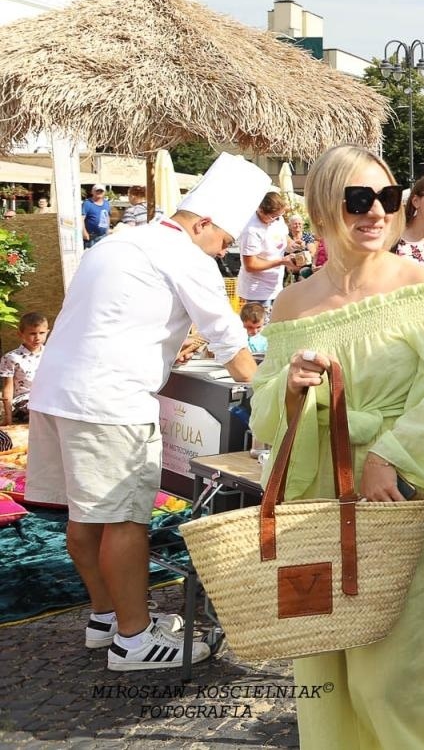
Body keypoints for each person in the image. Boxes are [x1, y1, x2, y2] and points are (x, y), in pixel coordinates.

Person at [252, 145, 424, 749]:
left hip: (401, 502)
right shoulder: (292, 303)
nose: (376, 214)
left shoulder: (422, 287)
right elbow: (263, 414)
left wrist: (391, 455)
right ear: (323, 208)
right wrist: (289, 388)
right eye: (358, 200)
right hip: (321, 509)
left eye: (387, 199)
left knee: (411, 678)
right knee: (329, 674)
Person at [29, 153, 267, 671]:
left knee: (86, 516)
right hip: (109, 400)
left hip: (56, 393)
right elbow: (232, 342)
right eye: (224, 241)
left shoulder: (119, 239)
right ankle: (133, 641)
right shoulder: (185, 255)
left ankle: (106, 617)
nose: (224, 253)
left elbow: (116, 317)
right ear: (202, 223)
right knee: (125, 521)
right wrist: (269, 388)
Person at [236, 191, 294, 317]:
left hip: (275, 285)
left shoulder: (277, 219)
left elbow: (284, 237)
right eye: (273, 216)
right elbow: (250, 265)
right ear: (261, 210)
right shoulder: (251, 230)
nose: (276, 219)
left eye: (280, 215)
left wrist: (293, 244)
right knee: (259, 328)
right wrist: (281, 261)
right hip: (257, 290)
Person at [0, 310, 48, 424]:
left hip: (48, 399)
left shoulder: (51, 354)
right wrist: (8, 417)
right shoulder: (11, 358)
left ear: (47, 332)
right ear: (20, 334)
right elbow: (8, 388)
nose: (37, 337)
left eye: (41, 333)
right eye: (32, 333)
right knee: (36, 411)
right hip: (24, 402)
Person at [81, 184, 112, 248]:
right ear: (92, 192)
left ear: (104, 193)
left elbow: (107, 217)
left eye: (101, 191)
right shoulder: (87, 203)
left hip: (103, 236)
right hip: (91, 237)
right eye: (97, 190)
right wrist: (84, 232)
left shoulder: (106, 203)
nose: (99, 192)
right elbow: (81, 219)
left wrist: (108, 229)